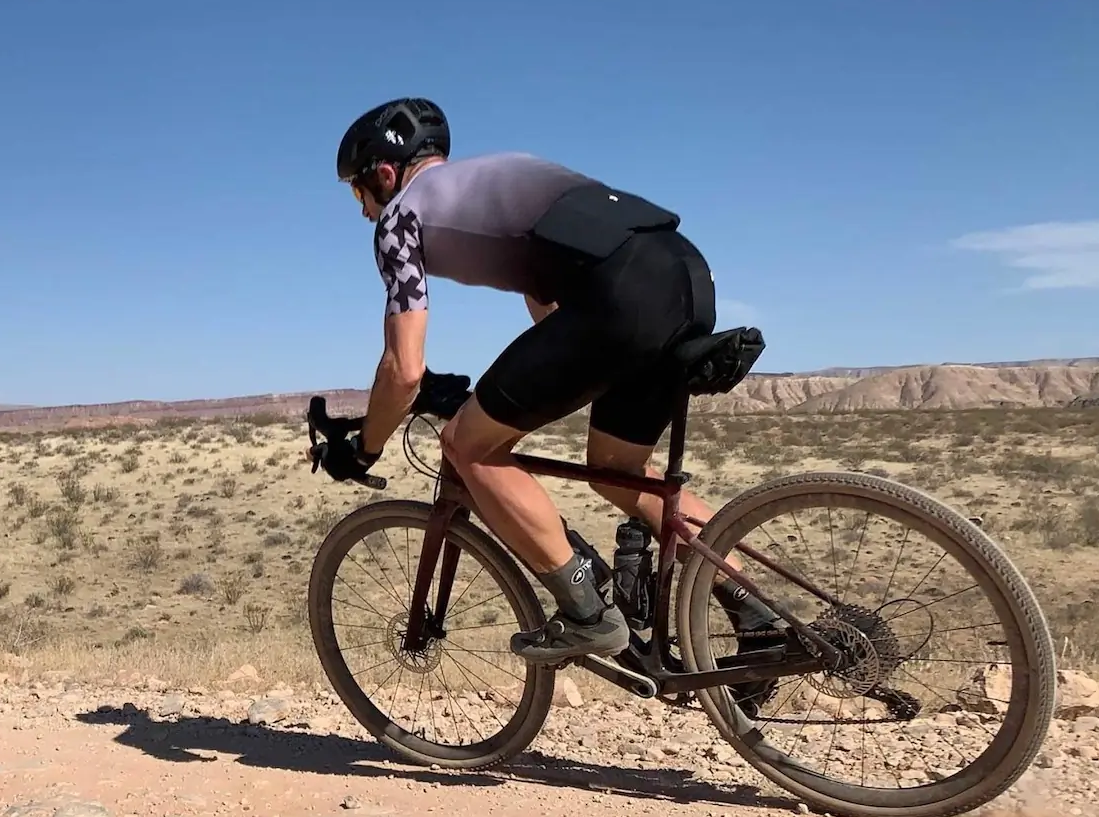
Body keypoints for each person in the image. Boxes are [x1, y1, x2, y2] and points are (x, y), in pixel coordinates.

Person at [318, 97, 774, 664]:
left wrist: (364, 449)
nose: (363, 209)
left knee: (466, 445)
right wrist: (484, 399)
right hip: (683, 275)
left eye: (357, 193)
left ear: (384, 175)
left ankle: (587, 613)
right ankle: (761, 619)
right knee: (617, 470)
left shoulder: (399, 217)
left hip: (622, 295)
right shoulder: (500, 178)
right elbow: (555, 324)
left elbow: (402, 368)